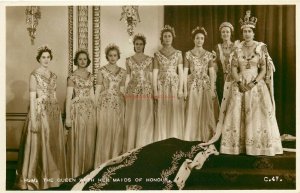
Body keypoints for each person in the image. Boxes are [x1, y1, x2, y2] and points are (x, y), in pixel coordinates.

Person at [202, 10, 283, 156]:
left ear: (253, 33)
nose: (246, 34)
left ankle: (258, 146)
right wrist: (239, 82)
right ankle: (237, 146)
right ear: (242, 33)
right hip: (239, 83)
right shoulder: (237, 48)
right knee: (236, 113)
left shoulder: (260, 47)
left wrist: (253, 83)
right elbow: (233, 68)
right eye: (244, 31)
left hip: (256, 84)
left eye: (249, 31)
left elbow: (264, 69)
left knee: (258, 115)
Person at [15, 45, 66, 190]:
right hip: (39, 111)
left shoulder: (54, 75)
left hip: (53, 112)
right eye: (43, 57)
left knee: (51, 142)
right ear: (39, 59)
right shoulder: (34, 74)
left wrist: (58, 115)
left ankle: (52, 178)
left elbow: (55, 95)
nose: (46, 59)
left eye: (48, 57)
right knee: (40, 142)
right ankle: (37, 178)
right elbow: (32, 98)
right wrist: (34, 119)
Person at [183, 26, 219, 142]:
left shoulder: (208, 55)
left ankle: (205, 136)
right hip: (192, 84)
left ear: (204, 40)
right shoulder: (188, 54)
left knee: (205, 110)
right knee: (192, 109)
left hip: (205, 84)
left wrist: (213, 88)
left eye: (202, 38)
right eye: (197, 38)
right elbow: (184, 72)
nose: (199, 40)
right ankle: (192, 136)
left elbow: (212, 72)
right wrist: (184, 89)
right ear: (194, 39)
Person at [65, 50, 97, 178]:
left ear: (87, 60)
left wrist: (96, 111)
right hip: (77, 111)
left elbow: (93, 95)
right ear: (76, 61)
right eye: (80, 59)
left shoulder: (91, 76)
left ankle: (88, 171)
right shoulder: (72, 77)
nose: (82, 61)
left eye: (85, 59)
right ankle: (76, 172)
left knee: (89, 140)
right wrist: (67, 117)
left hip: (90, 111)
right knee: (79, 139)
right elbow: (68, 98)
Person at [94, 44, 126, 167]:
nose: (112, 57)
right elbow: (97, 90)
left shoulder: (123, 71)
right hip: (105, 103)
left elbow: (122, 90)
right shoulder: (101, 70)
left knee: (117, 130)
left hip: (118, 103)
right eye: (110, 55)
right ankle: (102, 163)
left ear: (118, 56)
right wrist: (95, 104)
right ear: (107, 56)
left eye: (115, 55)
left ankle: (115, 162)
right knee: (105, 130)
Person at [153, 25, 184, 141]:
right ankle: (163, 137)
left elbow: (180, 72)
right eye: (165, 36)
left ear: (173, 37)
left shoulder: (178, 53)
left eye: (169, 36)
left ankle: (174, 136)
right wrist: (155, 90)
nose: (167, 38)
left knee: (174, 109)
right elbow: (155, 72)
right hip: (162, 84)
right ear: (162, 38)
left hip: (174, 84)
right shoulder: (157, 54)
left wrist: (181, 89)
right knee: (162, 109)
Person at [123, 33, 154, 152]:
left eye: (141, 44)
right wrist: (125, 92)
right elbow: (127, 77)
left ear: (144, 45)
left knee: (145, 117)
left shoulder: (150, 59)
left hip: (146, 90)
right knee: (133, 118)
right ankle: (132, 146)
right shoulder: (129, 60)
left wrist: (153, 90)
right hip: (132, 91)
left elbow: (151, 76)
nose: (139, 46)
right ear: (134, 45)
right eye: (137, 44)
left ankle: (144, 146)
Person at [214, 22, 238, 103]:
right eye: (223, 32)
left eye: (227, 32)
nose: (225, 34)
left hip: (234, 78)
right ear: (220, 34)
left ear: (231, 33)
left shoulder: (236, 46)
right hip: (221, 79)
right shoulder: (218, 47)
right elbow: (215, 65)